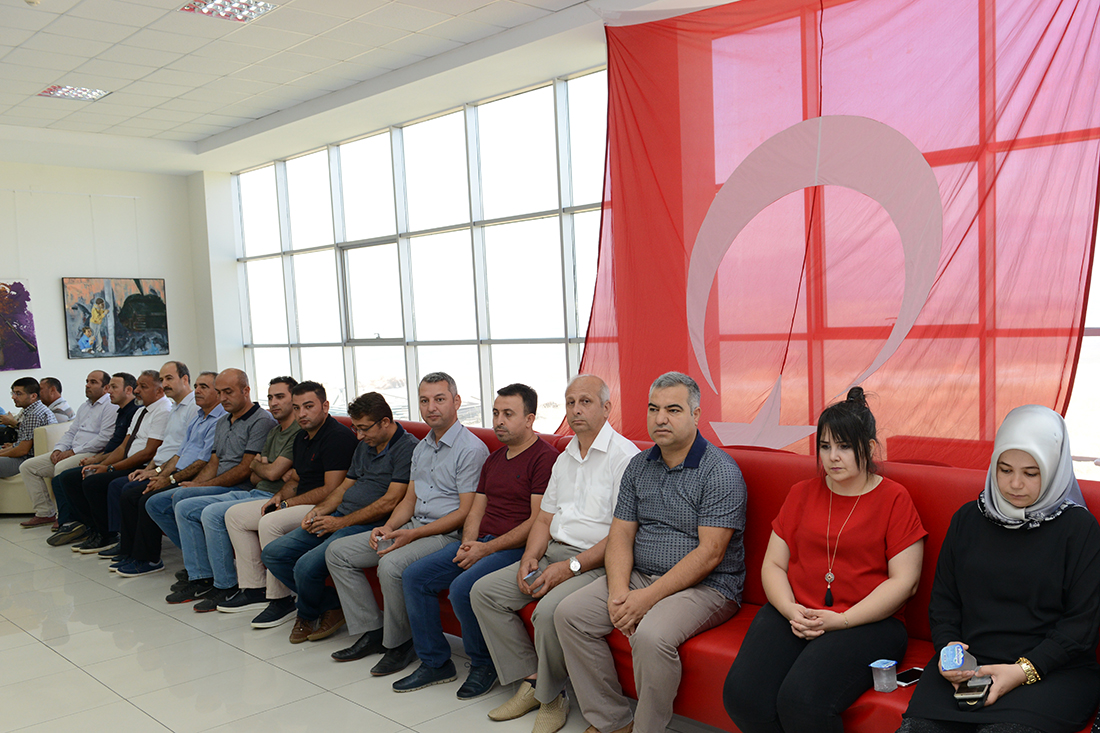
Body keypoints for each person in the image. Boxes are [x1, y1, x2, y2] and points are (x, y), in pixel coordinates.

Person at [723, 386, 927, 733]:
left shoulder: (894, 498)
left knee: (802, 702)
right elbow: (773, 565)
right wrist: (790, 609)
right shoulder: (801, 493)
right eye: (825, 446)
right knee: (743, 698)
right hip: (796, 611)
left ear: (868, 447)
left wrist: (842, 620)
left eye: (844, 446)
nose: (833, 457)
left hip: (868, 622)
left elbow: (905, 582)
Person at [555, 371, 747, 733]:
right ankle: (613, 721)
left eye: (673, 410)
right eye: (653, 409)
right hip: (641, 574)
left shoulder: (720, 471)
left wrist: (645, 599)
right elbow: (620, 534)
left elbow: (710, 554)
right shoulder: (639, 465)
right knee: (569, 615)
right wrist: (618, 593)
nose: (660, 418)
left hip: (707, 586)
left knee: (651, 636)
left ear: (695, 414)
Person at [898, 405, 1100, 733]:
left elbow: (1081, 625)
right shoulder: (967, 519)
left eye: (1031, 473)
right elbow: (944, 602)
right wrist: (950, 651)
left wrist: (1021, 672)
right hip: (972, 667)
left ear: (1054, 469)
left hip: (1051, 671)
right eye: (1004, 470)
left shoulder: (1079, 529)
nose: (1015, 484)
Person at [470, 374, 639, 733]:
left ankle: (552, 697)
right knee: (484, 593)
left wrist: (570, 567)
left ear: (607, 408)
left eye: (585, 402)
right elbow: (544, 518)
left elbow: (621, 535)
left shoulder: (625, 458)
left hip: (597, 561)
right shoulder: (564, 457)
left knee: (548, 612)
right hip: (553, 553)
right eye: (570, 403)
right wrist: (529, 557)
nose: (576, 410)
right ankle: (533, 681)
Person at [392, 383, 557, 698]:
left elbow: (537, 521)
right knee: (414, 576)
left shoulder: (544, 458)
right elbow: (476, 510)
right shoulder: (494, 459)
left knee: (462, 588)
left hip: (514, 548)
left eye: (508, 414)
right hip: (480, 542)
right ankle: (435, 663)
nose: (499, 421)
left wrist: (486, 549)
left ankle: (484, 664)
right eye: (495, 413)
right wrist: (469, 544)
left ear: (530, 419)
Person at [324, 372, 488, 672]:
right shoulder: (422, 447)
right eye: (424, 400)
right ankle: (373, 631)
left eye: (439, 399)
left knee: (390, 565)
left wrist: (411, 535)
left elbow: (465, 512)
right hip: (413, 525)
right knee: (338, 552)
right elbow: (409, 499)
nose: (431, 407)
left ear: (456, 402)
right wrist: (389, 527)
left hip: (446, 534)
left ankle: (400, 644)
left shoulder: (471, 449)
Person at [179, 380, 356, 613]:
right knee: (234, 516)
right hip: (297, 500)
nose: (302, 413)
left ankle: (280, 599)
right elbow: (295, 479)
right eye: (297, 408)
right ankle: (254, 588)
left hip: (323, 505)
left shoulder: (337, 436)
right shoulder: (302, 437)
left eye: (309, 406)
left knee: (269, 522)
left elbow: (331, 489)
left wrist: (287, 503)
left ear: (325, 406)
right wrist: (279, 497)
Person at [263, 390, 418, 641]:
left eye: (364, 429)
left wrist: (340, 522)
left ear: (385, 422)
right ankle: (331, 605)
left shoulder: (408, 448)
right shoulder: (366, 445)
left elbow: (391, 501)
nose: (359, 436)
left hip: (367, 524)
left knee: (305, 567)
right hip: (340, 515)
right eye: (356, 428)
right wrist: (318, 510)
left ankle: (307, 614)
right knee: (273, 554)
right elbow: (345, 486)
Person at [113, 370, 225, 577]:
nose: (197, 391)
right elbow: (178, 454)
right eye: (197, 386)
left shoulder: (220, 419)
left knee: (145, 497)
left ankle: (150, 559)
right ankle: (134, 553)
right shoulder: (198, 417)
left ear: (218, 393)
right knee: (132, 492)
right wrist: (159, 473)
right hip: (176, 471)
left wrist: (169, 479)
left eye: (204, 387)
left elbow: (203, 462)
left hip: (194, 476)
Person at [66, 369, 172, 554]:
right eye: (137, 386)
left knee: (96, 483)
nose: (136, 391)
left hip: (142, 465)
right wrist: (102, 465)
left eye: (142, 387)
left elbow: (148, 453)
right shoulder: (141, 411)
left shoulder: (163, 410)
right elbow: (123, 447)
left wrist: (110, 468)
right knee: (72, 478)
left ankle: (110, 535)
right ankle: (95, 529)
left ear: (159, 391)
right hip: (129, 461)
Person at [48, 372, 139, 546]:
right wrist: (97, 459)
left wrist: (100, 462)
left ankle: (104, 533)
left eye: (113, 387)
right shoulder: (120, 410)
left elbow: (124, 448)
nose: (109, 391)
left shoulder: (132, 411)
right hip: (106, 456)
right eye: (87, 381)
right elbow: (115, 445)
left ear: (128, 390)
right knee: (64, 478)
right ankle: (83, 525)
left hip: (122, 461)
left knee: (87, 480)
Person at [18, 371, 116, 528]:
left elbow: (104, 438)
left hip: (93, 452)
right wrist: (58, 449)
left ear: (106, 387)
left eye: (93, 382)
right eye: (87, 381)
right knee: (28, 467)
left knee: (61, 467)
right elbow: (71, 432)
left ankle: (66, 516)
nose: (87, 385)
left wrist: (73, 452)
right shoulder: (84, 406)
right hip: (72, 450)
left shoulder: (110, 406)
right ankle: (45, 513)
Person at [0, 377, 57, 477]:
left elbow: (22, 450)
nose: (13, 397)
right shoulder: (37, 409)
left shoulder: (33, 415)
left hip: (28, 460)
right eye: (13, 393)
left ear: (33, 396)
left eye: (18, 394)